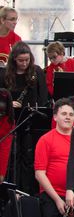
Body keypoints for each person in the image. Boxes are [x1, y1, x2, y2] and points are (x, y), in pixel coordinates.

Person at [1, 42, 48, 186]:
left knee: (28, 157)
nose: (24, 63)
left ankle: (26, 190)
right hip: (11, 120)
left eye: (27, 60)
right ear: (14, 59)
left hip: (30, 119)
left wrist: (35, 107)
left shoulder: (36, 71)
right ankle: (12, 189)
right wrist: (10, 102)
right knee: (12, 157)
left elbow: (43, 96)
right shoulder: (4, 73)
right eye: (21, 60)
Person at [34, 99, 74, 217]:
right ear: (55, 117)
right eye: (64, 113)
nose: (68, 117)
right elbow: (39, 174)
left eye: (71, 114)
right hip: (52, 197)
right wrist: (57, 199)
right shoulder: (45, 140)